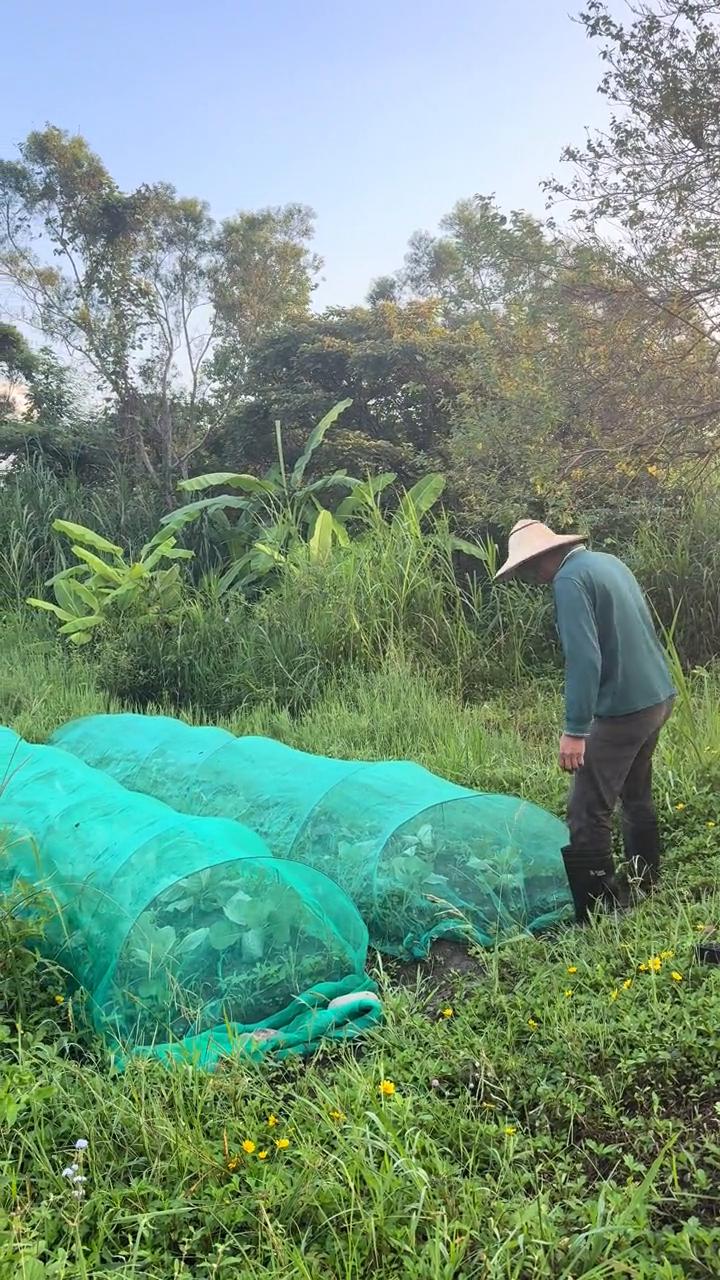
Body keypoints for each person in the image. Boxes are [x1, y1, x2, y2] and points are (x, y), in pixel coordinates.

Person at [495, 519, 675, 922]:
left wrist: (576, 731)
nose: (531, 577)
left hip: (623, 711)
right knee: (635, 791)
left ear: (542, 558)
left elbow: (585, 659)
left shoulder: (568, 581)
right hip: (657, 698)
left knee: (585, 810)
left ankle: (600, 912)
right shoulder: (607, 562)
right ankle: (647, 880)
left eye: (527, 568)